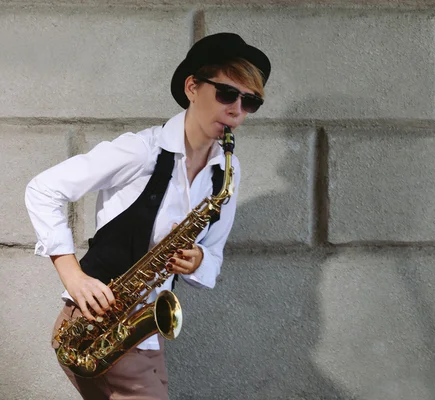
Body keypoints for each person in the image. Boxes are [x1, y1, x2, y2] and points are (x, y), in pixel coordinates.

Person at [24, 32, 271, 400]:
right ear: (192, 87)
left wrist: (199, 259)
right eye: (227, 94)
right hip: (95, 325)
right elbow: (43, 189)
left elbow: (213, 261)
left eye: (250, 101)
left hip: (140, 334)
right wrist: (72, 275)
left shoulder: (226, 175)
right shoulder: (141, 151)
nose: (237, 110)